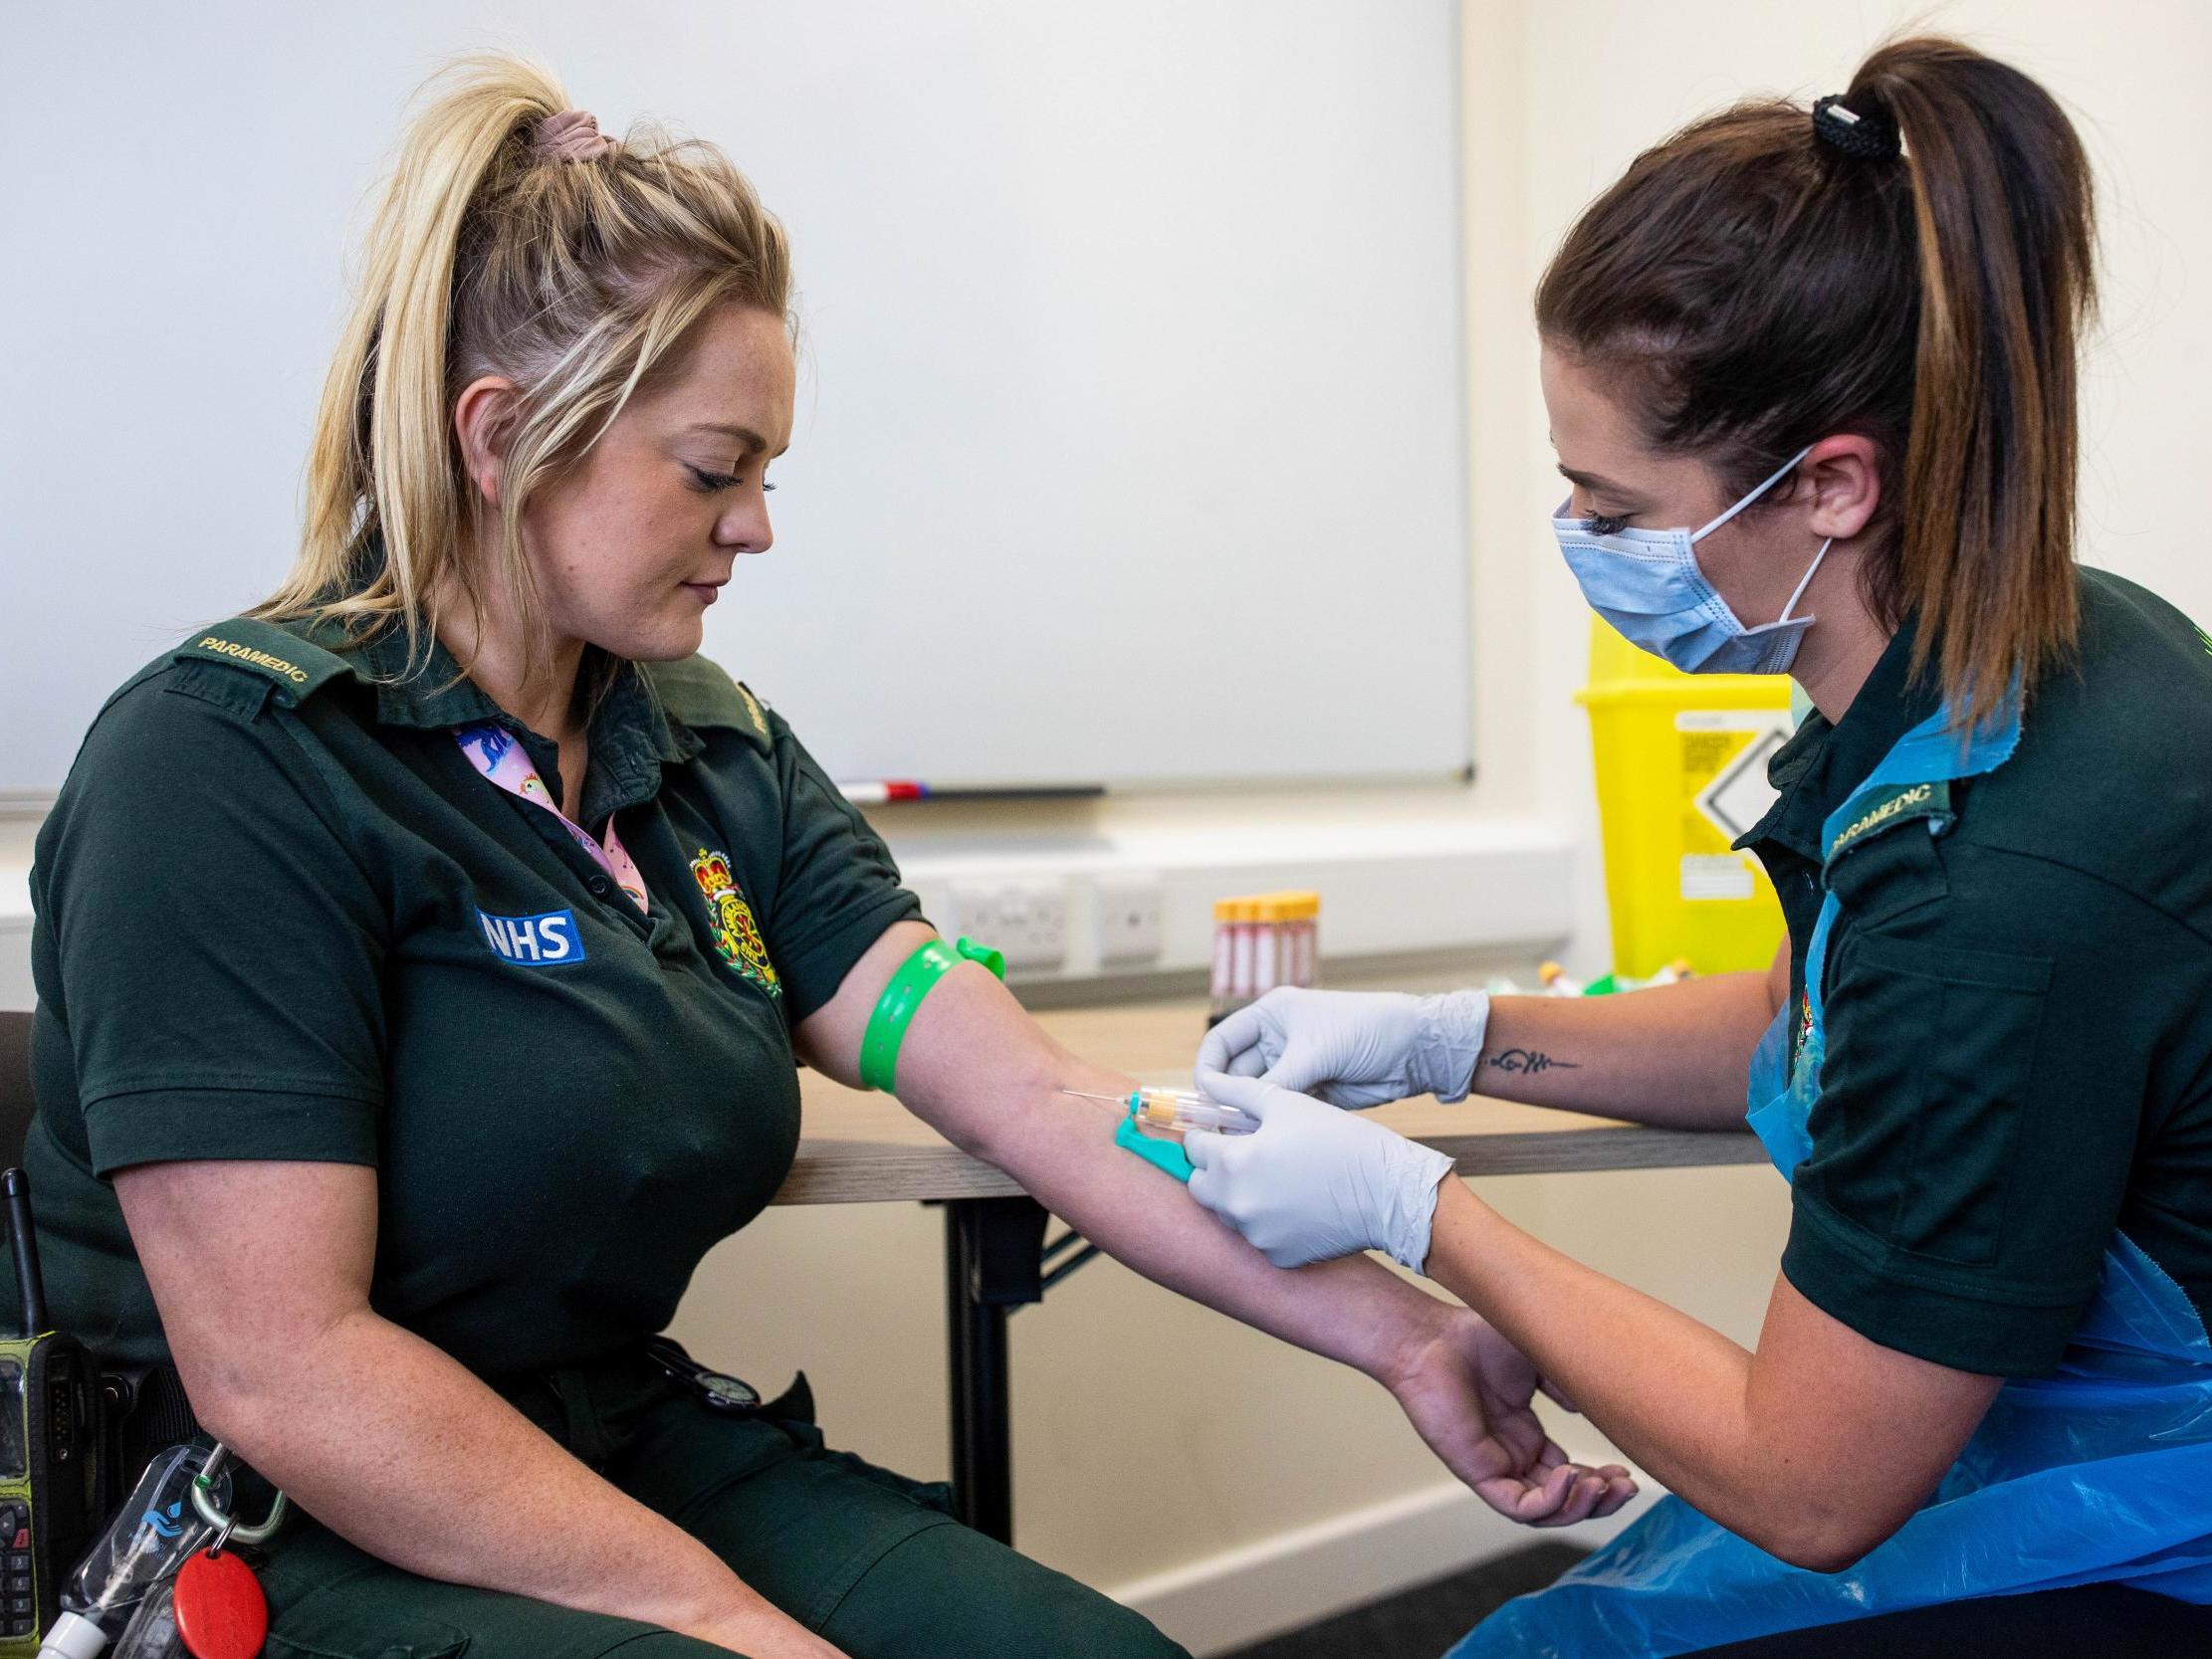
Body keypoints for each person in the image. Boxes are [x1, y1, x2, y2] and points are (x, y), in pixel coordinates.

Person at [22, 57, 1628, 1659]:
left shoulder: (703, 750)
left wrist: (1397, 1335)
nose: (757, 530)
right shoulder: (227, 770)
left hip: (612, 1441)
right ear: (502, 436)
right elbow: (284, 1367)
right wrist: (727, 1619)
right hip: (282, 1514)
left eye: (765, 476)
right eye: (712, 472)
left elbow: (1041, 1104)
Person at [1186, 34, 2212, 1659]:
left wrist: (1416, 1212)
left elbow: (1809, 1487)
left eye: (1610, 508)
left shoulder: (2003, 875)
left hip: (2148, 1524)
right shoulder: (2030, 651)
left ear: (1830, 487)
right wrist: (1456, 1038)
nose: (1582, 546)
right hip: (2030, 1440)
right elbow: (1817, 1019)